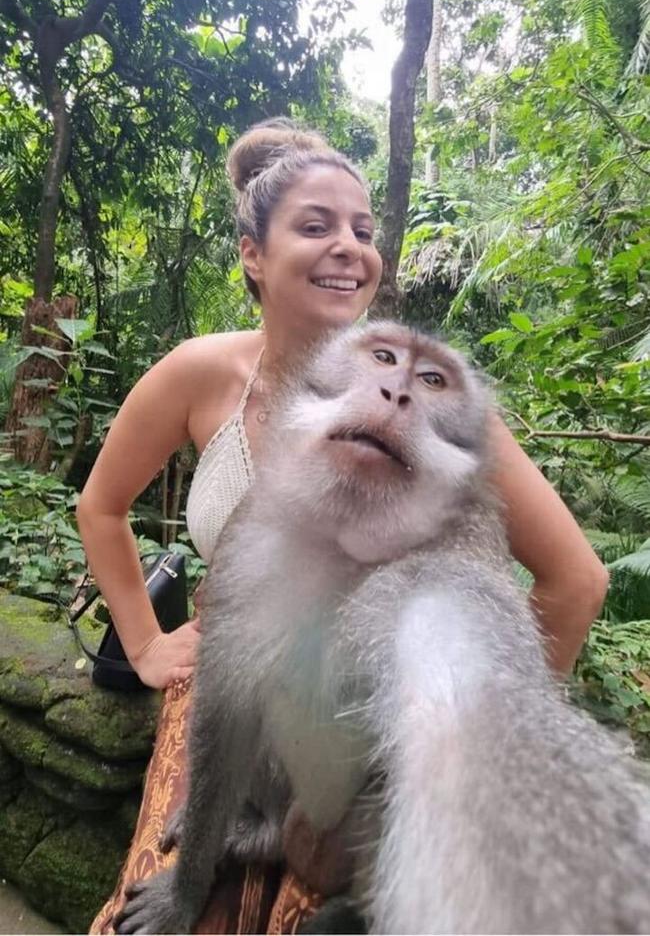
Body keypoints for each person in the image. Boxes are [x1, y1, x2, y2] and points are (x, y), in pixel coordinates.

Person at [79, 118, 609, 934]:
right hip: (252, 694)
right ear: (253, 252)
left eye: (364, 231)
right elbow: (101, 506)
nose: (350, 248)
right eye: (316, 226)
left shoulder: (432, 401)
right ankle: (243, 843)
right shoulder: (199, 373)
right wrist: (147, 643)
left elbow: (576, 580)